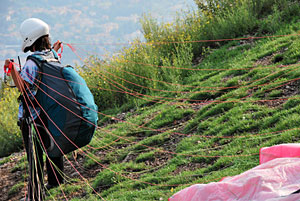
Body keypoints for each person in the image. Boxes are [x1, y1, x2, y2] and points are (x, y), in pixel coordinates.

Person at [5, 18, 64, 201]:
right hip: (50, 114)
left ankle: (34, 196)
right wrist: (54, 47)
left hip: (33, 118)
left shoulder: (32, 63)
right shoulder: (53, 55)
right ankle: (56, 183)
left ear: (29, 39)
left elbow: (24, 88)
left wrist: (12, 70)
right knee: (53, 149)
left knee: (35, 158)